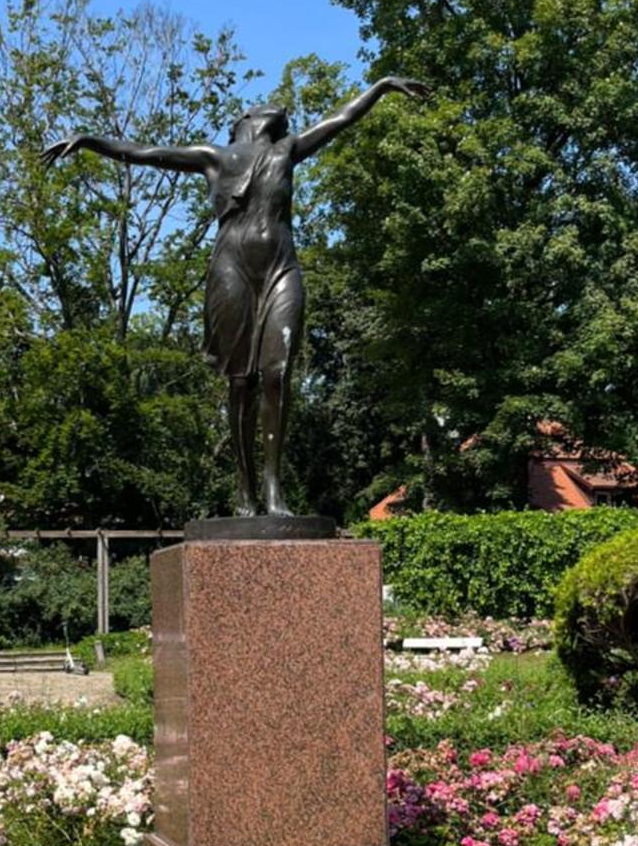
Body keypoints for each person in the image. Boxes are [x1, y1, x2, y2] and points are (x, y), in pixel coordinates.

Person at [42, 76, 429, 517]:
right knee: (241, 381)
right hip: (233, 269)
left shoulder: (289, 150)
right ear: (246, 120)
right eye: (268, 105)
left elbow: (342, 118)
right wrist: (89, 140)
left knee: (277, 373)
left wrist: (382, 86)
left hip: (281, 267)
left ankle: (272, 489)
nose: (280, 109)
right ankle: (244, 492)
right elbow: (145, 153)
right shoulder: (214, 157)